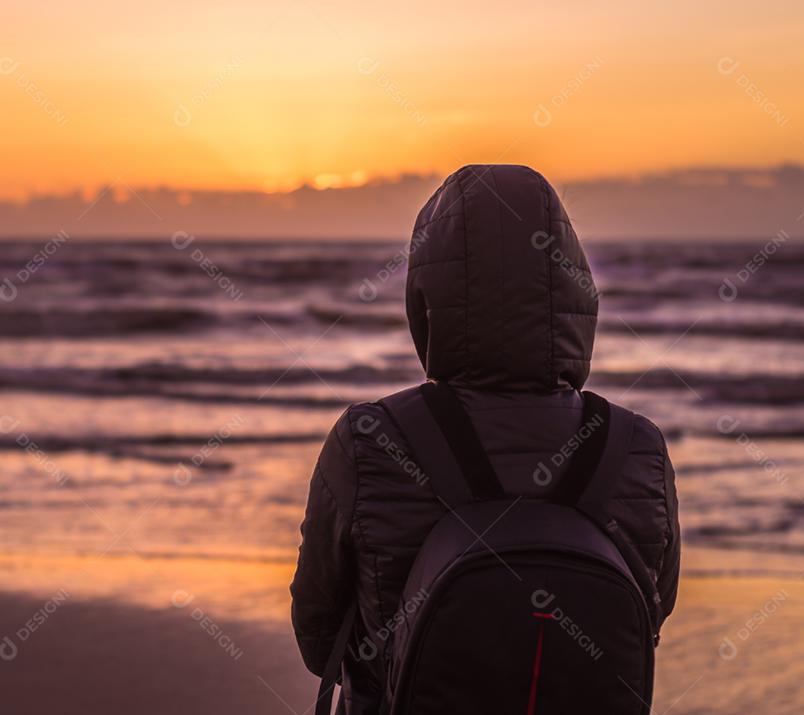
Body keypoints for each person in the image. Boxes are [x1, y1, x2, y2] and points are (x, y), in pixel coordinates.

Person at [289, 165, 680, 714]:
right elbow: (651, 612)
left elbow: (319, 636)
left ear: (427, 297)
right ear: (574, 287)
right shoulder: (636, 447)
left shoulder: (371, 439)